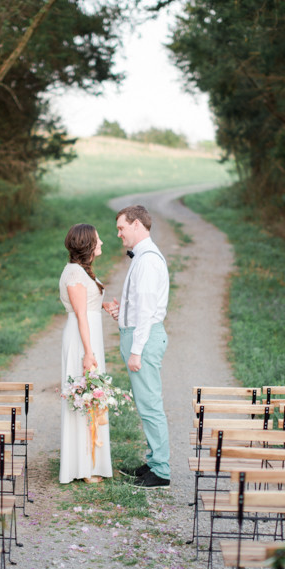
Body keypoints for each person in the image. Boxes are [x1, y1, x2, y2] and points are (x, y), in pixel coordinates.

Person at [107, 205, 170, 488]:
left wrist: (136, 350)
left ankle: (161, 471)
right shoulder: (143, 257)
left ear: (136, 224)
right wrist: (122, 313)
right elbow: (141, 305)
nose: (118, 234)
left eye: (121, 228)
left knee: (151, 406)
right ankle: (154, 462)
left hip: (143, 340)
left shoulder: (147, 260)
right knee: (146, 405)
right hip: (139, 334)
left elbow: (146, 312)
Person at [59, 223, 113, 484]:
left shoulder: (81, 271)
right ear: (87, 244)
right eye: (97, 239)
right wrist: (88, 353)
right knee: (84, 398)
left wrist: (102, 305)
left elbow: (85, 305)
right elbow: (80, 315)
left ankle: (91, 462)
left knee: (91, 397)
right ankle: (83, 467)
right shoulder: (74, 274)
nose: (101, 242)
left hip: (88, 336)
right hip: (82, 341)